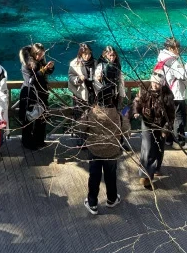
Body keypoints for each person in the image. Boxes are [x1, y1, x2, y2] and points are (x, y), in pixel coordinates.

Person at [81, 83, 123, 215]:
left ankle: (92, 203)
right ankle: (112, 199)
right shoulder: (116, 114)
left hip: (95, 149)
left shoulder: (92, 112)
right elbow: (126, 131)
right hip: (112, 150)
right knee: (110, 175)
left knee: (94, 176)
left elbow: (80, 127)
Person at [132, 72, 175, 188]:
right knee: (148, 148)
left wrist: (165, 129)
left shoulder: (167, 95)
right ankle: (146, 176)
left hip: (161, 125)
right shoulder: (145, 89)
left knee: (160, 147)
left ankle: (156, 168)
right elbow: (137, 101)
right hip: (147, 123)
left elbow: (171, 115)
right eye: (153, 82)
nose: (154, 85)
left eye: (157, 83)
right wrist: (136, 111)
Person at [155, 38, 187, 147]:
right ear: (171, 48)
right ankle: (179, 141)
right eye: (177, 47)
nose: (179, 49)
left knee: (168, 117)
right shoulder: (172, 61)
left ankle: (168, 140)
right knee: (178, 118)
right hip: (176, 93)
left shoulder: (162, 58)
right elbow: (182, 75)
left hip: (167, 92)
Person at [19, 43, 54, 150]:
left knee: (42, 119)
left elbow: (43, 74)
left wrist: (50, 68)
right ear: (34, 53)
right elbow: (31, 80)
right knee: (29, 119)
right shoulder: (26, 65)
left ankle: (39, 140)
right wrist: (43, 70)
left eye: (42, 55)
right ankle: (27, 142)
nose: (41, 57)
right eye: (39, 55)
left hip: (42, 94)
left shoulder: (40, 61)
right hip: (30, 94)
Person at [69, 43, 95, 119]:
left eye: (89, 54)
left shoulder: (94, 62)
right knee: (79, 119)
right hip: (80, 95)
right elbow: (71, 77)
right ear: (81, 54)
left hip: (92, 94)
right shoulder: (74, 63)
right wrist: (79, 79)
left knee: (92, 118)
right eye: (85, 54)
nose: (87, 56)